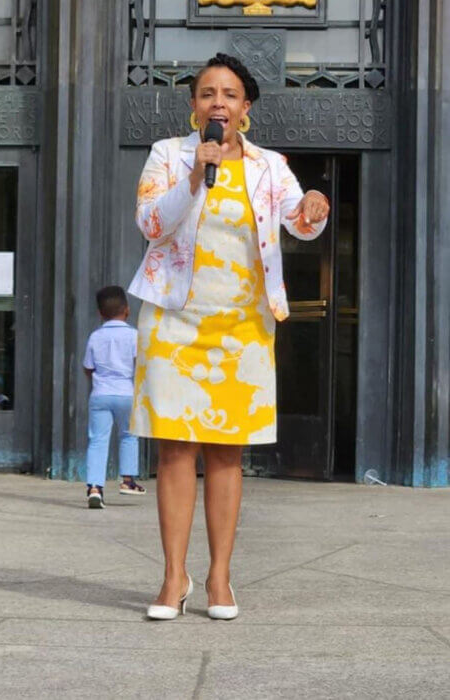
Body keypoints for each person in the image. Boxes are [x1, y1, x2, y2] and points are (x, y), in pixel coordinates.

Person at [128, 53, 330, 620]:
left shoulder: (270, 166)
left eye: (230, 94)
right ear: (194, 106)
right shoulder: (168, 155)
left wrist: (313, 209)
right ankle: (173, 579)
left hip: (242, 324)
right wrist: (196, 173)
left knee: (225, 453)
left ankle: (219, 577)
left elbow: (298, 219)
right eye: (208, 93)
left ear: (246, 108)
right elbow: (150, 224)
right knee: (174, 449)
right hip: (174, 320)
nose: (219, 102)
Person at [83, 286, 146, 508]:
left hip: (100, 394)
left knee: (97, 441)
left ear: (100, 313)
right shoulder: (134, 336)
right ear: (127, 311)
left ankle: (94, 488)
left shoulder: (95, 336)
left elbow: (88, 367)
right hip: (126, 393)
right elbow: (140, 365)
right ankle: (128, 480)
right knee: (129, 436)